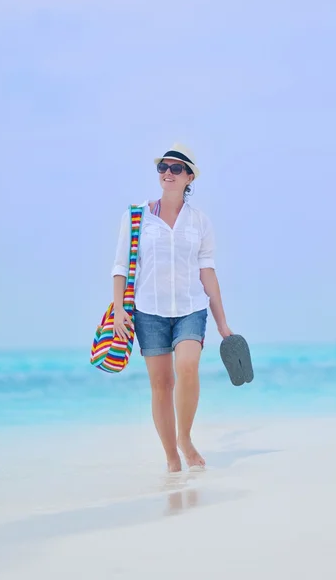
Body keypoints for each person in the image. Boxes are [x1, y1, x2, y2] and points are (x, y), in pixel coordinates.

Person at [111, 143, 232, 473]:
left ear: (189, 177)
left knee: (189, 366)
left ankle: (185, 437)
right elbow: (120, 266)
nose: (168, 172)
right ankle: (171, 458)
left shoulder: (200, 222)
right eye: (163, 167)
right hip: (148, 311)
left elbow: (208, 271)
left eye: (176, 168)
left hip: (191, 308)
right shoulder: (137, 217)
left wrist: (222, 323)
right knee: (161, 384)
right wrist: (119, 309)